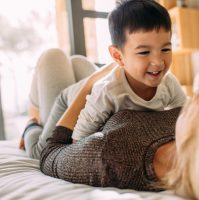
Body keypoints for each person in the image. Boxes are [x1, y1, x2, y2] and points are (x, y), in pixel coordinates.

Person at [39, 67, 199, 199]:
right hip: (99, 103)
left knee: (54, 61)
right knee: (76, 63)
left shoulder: (111, 156)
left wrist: (90, 84)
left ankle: (31, 120)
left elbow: (50, 152)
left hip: (67, 114)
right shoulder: (193, 141)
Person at [19, 0, 186, 156]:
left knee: (78, 62)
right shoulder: (108, 92)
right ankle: (30, 124)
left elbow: (187, 118)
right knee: (38, 153)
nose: (158, 62)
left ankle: (75, 68)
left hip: (92, 86)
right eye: (144, 52)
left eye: (165, 49)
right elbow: (78, 144)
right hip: (70, 100)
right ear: (117, 56)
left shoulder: (169, 84)